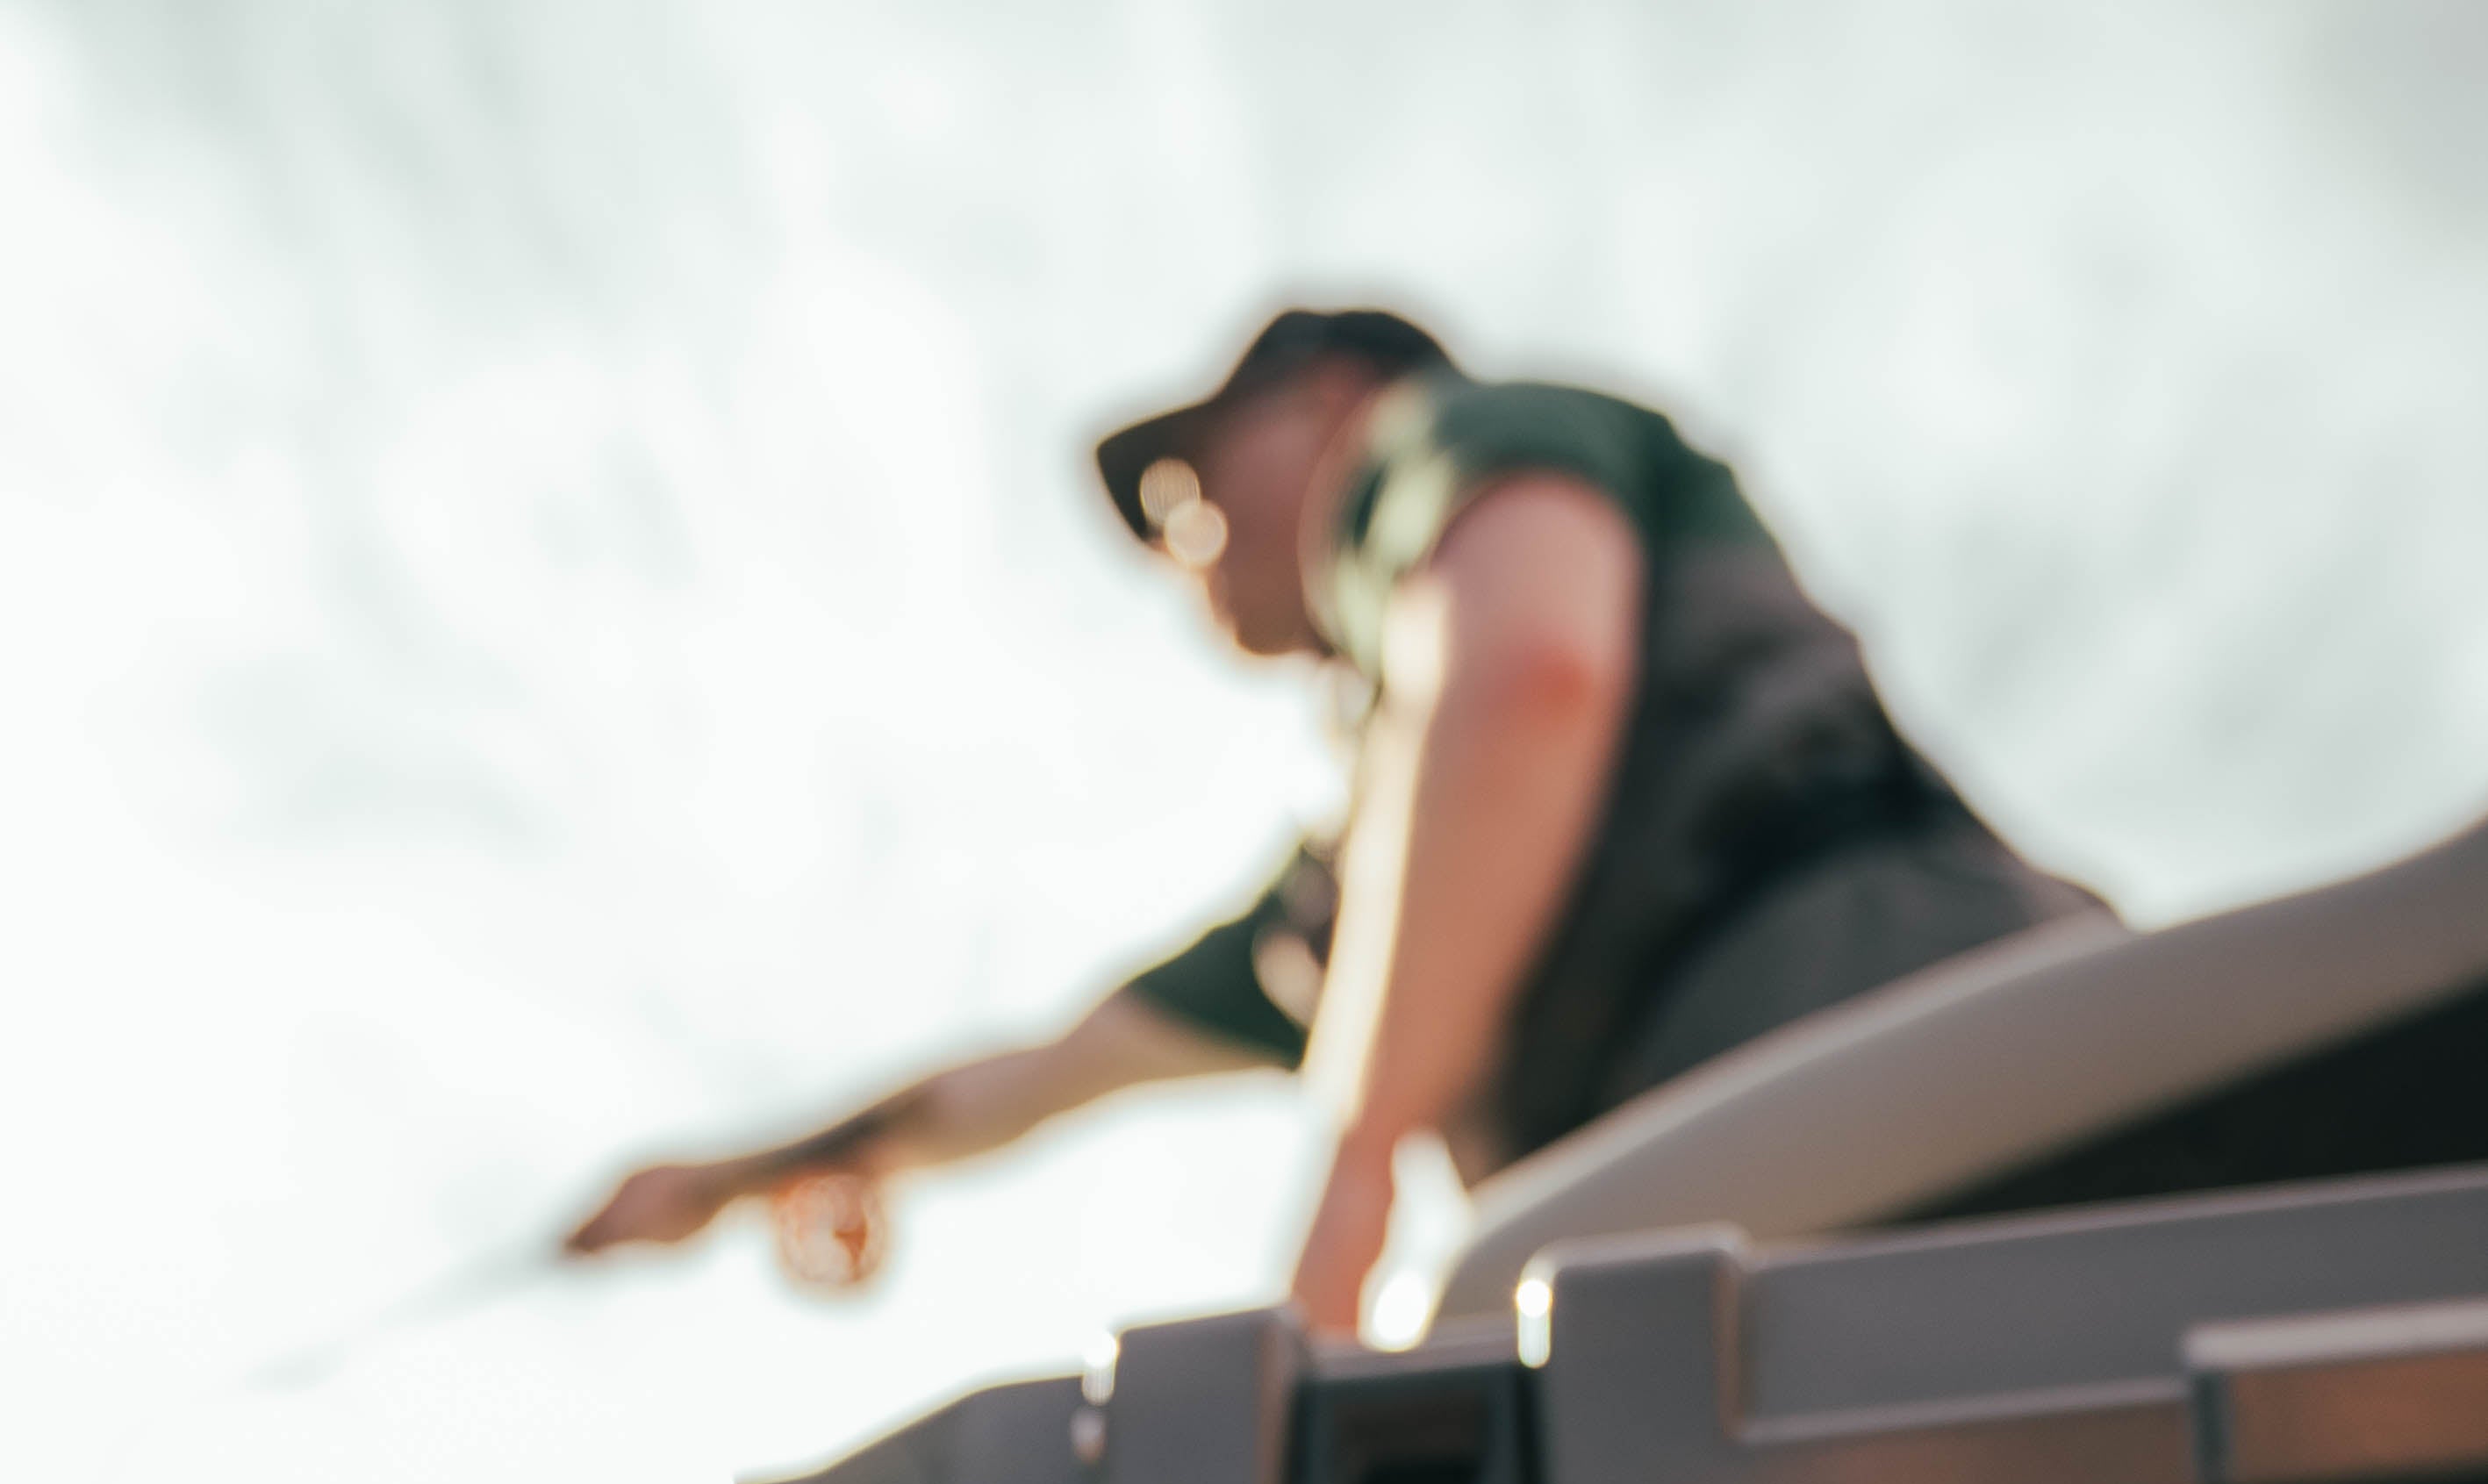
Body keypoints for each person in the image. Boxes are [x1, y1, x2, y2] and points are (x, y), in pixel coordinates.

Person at [562, 305, 2108, 1336]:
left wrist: (1357, 1183)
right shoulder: (1356, 901)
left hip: (1928, 1045)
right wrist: (729, 1180)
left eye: (1190, 480)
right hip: (1726, 1283)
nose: (1183, 542)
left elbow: (1532, 668)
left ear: (1329, 400)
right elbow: (1040, 1074)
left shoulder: (1438, 441)